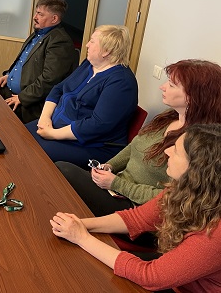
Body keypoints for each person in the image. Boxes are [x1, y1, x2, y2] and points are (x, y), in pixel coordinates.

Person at [50, 124, 221, 292]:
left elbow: (150, 277)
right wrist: (80, 224)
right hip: (176, 276)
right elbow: (136, 219)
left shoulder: (216, 233)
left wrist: (82, 237)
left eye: (176, 151)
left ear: (197, 170)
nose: (167, 151)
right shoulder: (184, 190)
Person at [57, 59, 221, 217]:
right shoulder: (168, 117)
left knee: (64, 171)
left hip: (137, 206)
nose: (162, 87)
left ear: (193, 97)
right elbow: (134, 146)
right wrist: (109, 166)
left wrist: (117, 184)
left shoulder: (198, 144)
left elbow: (172, 198)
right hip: (117, 186)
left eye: (171, 85)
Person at [26, 25, 138, 168]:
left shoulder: (121, 82)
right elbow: (58, 89)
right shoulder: (89, 64)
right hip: (58, 126)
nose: (87, 45)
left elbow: (96, 125)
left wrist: (53, 134)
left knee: (31, 152)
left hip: (92, 145)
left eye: (92, 41)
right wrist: (45, 118)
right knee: (18, 134)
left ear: (106, 51)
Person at [0, 0, 75, 123]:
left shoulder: (60, 41)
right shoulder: (38, 34)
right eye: (36, 12)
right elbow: (23, 63)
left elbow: (49, 80)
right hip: (8, 88)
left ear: (54, 19)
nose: (34, 17)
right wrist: (9, 75)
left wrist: (22, 97)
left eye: (40, 14)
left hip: (28, 102)